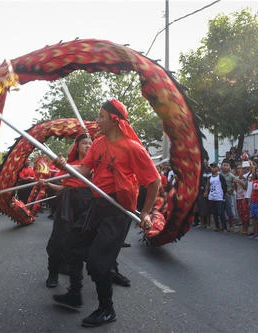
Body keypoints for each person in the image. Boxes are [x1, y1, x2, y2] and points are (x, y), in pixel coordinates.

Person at [52, 99, 160, 328]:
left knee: (98, 262)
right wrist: (65, 166)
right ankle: (75, 293)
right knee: (72, 243)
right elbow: (84, 170)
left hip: (118, 211)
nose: (97, 120)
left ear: (113, 119)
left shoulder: (133, 148)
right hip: (97, 204)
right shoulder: (98, 143)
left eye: (101, 116)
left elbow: (154, 181)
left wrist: (147, 212)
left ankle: (106, 309)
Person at [42, 133, 93, 288]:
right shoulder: (68, 164)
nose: (88, 145)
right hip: (68, 204)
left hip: (89, 206)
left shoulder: (95, 165)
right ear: (77, 146)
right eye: (84, 143)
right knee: (58, 240)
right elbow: (65, 188)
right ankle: (53, 273)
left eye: (91, 143)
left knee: (83, 243)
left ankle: (78, 282)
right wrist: (48, 184)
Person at [204, 162, 227, 232]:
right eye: (212, 167)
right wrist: (206, 192)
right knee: (214, 213)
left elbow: (224, 186)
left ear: (217, 168)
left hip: (219, 197)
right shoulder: (210, 177)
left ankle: (224, 227)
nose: (213, 169)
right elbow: (208, 185)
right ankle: (217, 226)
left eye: (214, 167)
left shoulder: (220, 176)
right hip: (212, 196)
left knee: (221, 212)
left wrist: (224, 196)